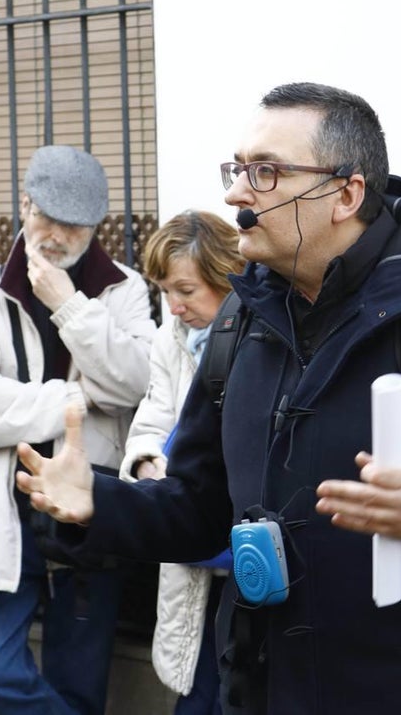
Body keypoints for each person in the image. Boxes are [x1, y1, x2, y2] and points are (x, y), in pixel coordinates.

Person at [15, 83, 401, 715]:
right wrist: (99, 500)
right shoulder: (236, 325)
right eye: (238, 169)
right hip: (259, 688)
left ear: (345, 193)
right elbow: (200, 508)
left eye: (266, 173)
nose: (235, 193)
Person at [0, 145, 155, 715]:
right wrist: (77, 399)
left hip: (87, 504)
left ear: (96, 227)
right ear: (25, 204)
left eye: (74, 225)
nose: (56, 235)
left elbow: (137, 384)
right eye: (47, 217)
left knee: (80, 686)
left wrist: (69, 306)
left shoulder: (123, 289)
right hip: (1, 507)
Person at [119, 211, 244, 714]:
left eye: (186, 291)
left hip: (249, 553)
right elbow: (150, 421)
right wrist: (151, 468)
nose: (174, 306)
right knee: (195, 694)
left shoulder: (266, 332)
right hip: (194, 549)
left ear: (225, 274)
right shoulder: (169, 339)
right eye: (164, 291)